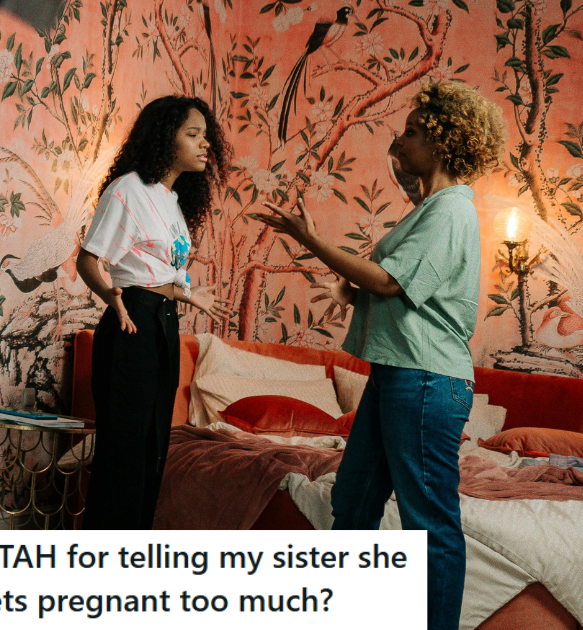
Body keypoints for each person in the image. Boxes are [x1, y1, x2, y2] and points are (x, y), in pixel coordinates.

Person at [253, 80, 506, 630]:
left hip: (426, 381)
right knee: (355, 502)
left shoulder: (451, 211)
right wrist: (358, 290)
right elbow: (402, 289)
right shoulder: (432, 208)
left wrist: (311, 240)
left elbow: (393, 283)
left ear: (442, 142)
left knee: (429, 524)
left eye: (413, 131)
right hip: (399, 378)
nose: (401, 137)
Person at [75, 95, 232, 529]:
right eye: (193, 135)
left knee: (153, 448)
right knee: (124, 451)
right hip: (133, 322)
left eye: (206, 136)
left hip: (163, 321)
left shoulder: (172, 201)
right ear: (165, 137)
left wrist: (187, 295)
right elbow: (90, 260)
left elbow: (156, 271)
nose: (206, 146)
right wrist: (114, 300)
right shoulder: (128, 190)